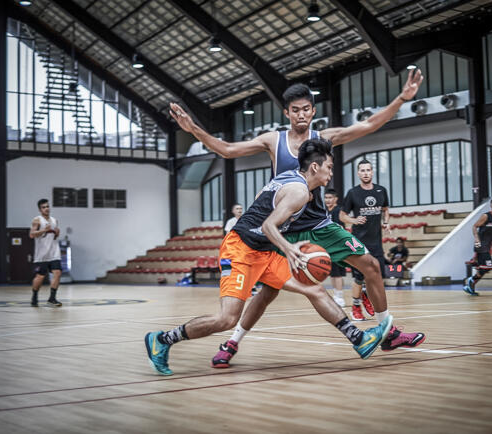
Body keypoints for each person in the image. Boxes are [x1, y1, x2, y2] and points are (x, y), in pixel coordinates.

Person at [169, 72, 426, 368]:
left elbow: (368, 125)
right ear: (287, 113)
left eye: (306, 109)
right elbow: (227, 150)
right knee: (268, 292)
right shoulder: (273, 141)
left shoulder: (324, 138)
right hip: (284, 228)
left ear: (313, 111)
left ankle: (388, 332)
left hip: (319, 224)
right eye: (295, 110)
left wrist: (401, 99)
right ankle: (231, 341)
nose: (301, 115)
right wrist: (193, 129)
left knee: (371, 265)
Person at [144, 139, 392, 375]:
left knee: (314, 290)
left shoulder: (287, 178)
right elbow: (268, 226)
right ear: (315, 166)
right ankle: (163, 339)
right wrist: (289, 248)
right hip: (240, 249)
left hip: (264, 252)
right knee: (227, 319)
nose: (331, 172)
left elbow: (260, 203)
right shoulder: (300, 192)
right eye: (329, 167)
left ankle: (359, 339)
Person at [340, 159, 389, 321]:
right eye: (362, 170)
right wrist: (354, 221)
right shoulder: (353, 193)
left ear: (372, 172)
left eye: (368, 170)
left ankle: (366, 295)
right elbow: (342, 215)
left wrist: (386, 222)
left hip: (376, 242)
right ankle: (356, 305)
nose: (366, 173)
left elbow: (385, 209)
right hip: (359, 242)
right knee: (359, 277)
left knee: (377, 276)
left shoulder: (381, 191)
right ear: (358, 173)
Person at [463, 197, 492, 295]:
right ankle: (471, 280)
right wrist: (476, 238)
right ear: (491, 205)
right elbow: (475, 226)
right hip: (480, 245)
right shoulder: (485, 216)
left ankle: (470, 286)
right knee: (488, 266)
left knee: (485, 269)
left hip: (488, 247)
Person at [29, 198, 62, 307]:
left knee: (57, 273)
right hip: (42, 255)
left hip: (54, 253)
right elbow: (32, 234)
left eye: (47, 206)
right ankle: (34, 296)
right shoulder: (37, 220)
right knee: (40, 277)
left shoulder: (54, 220)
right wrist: (44, 230)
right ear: (40, 209)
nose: (46, 209)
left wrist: (57, 234)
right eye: (44, 207)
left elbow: (53, 236)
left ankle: (52, 299)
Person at [324, 188, 346, 307]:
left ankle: (340, 297)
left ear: (335, 199)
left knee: (337, 273)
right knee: (332, 273)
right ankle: (336, 295)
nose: (327, 200)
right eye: (326, 198)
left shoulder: (339, 211)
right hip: (327, 246)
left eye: (330, 198)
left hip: (338, 245)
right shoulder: (324, 212)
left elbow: (342, 228)